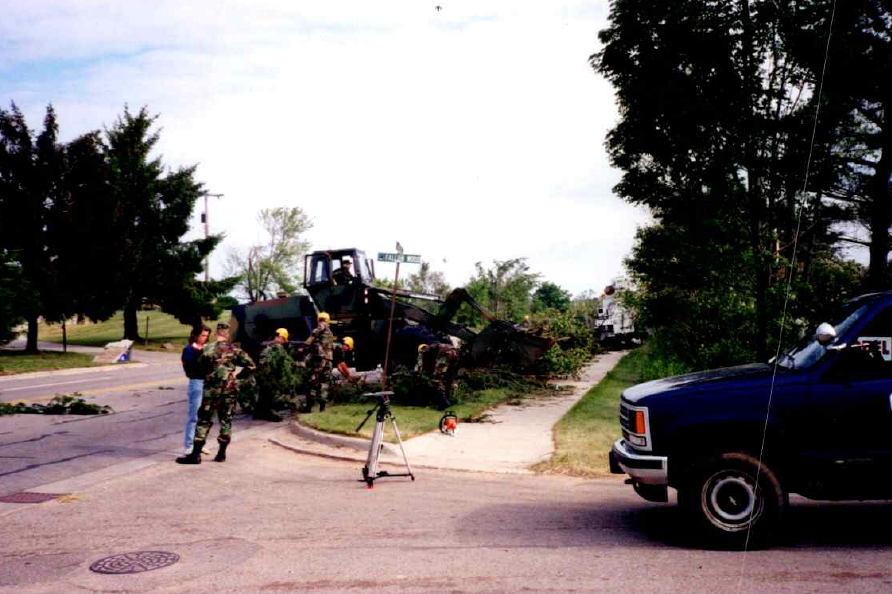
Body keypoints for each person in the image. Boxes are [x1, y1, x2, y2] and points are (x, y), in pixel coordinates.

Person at [176, 322, 256, 464]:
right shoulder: (235, 350)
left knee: (204, 420)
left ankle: (195, 455)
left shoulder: (207, 349)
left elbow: (198, 367)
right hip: (229, 390)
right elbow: (251, 366)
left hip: (211, 391)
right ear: (228, 334)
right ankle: (221, 454)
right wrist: (236, 378)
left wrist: (210, 374)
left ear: (216, 334)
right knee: (226, 420)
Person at [254, 328, 297, 422]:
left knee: (263, 393)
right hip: (269, 376)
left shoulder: (266, 344)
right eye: (284, 340)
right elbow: (285, 365)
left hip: (260, 374)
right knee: (271, 393)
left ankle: (258, 412)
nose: (284, 342)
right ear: (282, 338)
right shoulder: (279, 348)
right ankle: (269, 411)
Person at [181, 325, 211, 455]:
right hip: (197, 383)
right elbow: (189, 369)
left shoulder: (208, 349)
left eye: (207, 336)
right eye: (203, 335)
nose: (205, 338)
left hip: (208, 384)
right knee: (194, 416)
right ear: (196, 335)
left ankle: (199, 443)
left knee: (204, 417)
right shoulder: (189, 349)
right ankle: (188, 445)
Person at [301, 312, 334, 412]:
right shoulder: (330, 332)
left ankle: (309, 407)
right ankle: (322, 407)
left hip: (319, 359)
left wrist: (306, 343)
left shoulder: (321, 325)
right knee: (324, 383)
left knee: (313, 382)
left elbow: (316, 332)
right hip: (328, 360)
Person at [416, 342, 459, 410]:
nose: (422, 353)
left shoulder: (428, 349)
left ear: (423, 349)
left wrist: (420, 372)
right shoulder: (435, 346)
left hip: (446, 353)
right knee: (449, 376)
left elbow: (422, 363)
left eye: (422, 352)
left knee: (436, 378)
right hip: (455, 353)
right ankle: (446, 400)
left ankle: (444, 403)